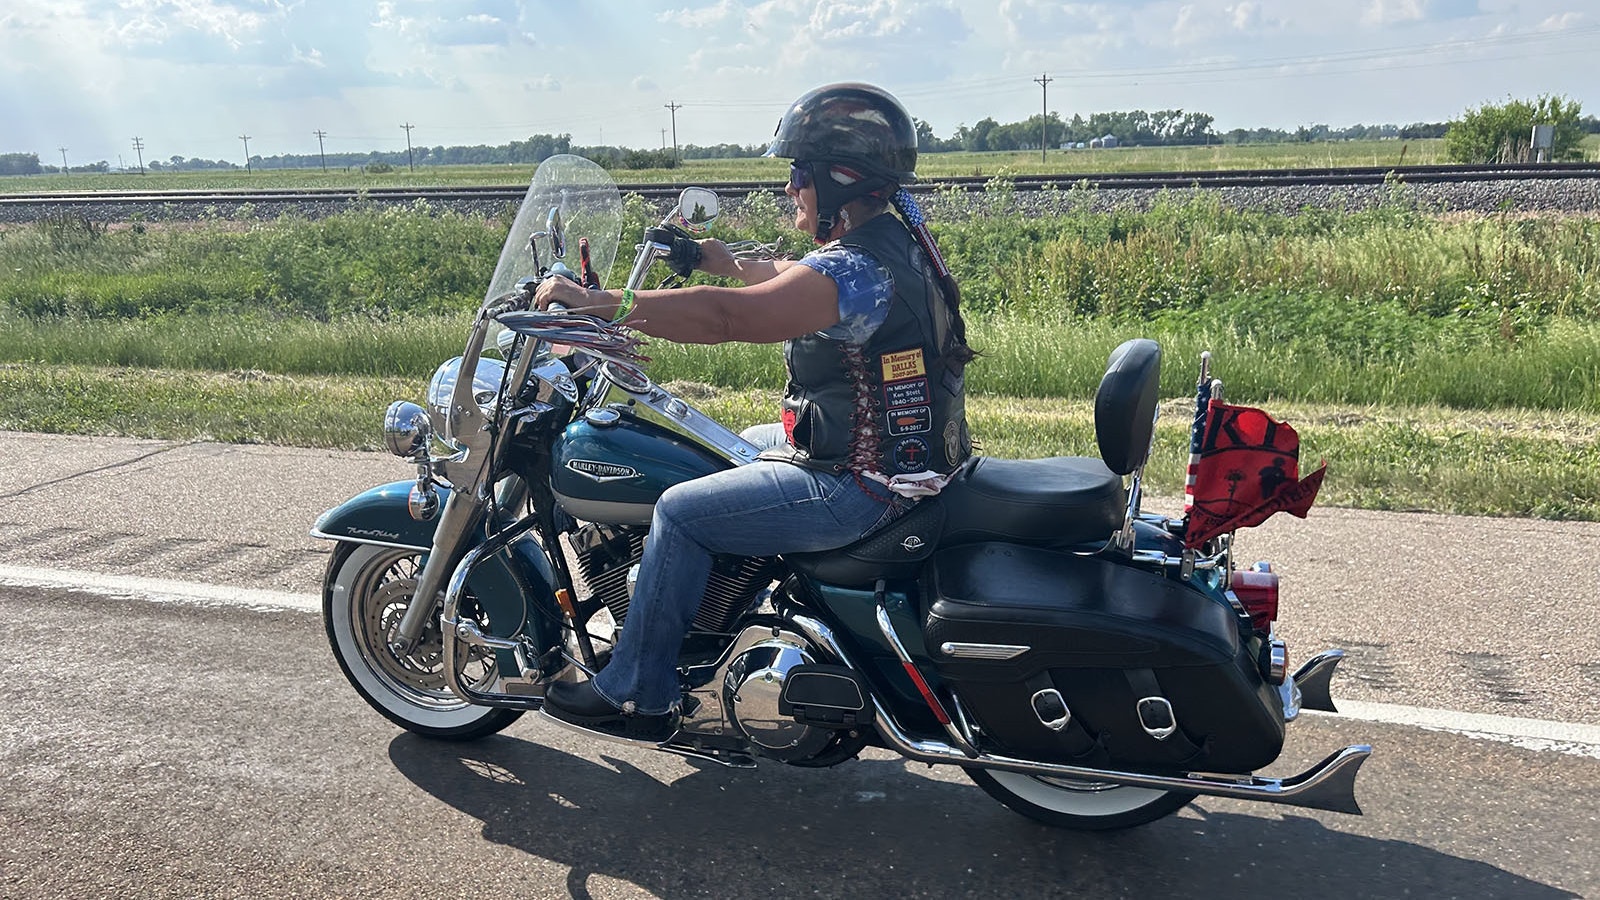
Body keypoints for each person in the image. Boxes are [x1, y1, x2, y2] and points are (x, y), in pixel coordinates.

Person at [533, 82, 974, 744]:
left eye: (800, 172)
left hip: (862, 484)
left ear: (840, 178)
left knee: (681, 510)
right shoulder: (892, 243)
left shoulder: (856, 269)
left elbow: (728, 316)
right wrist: (717, 257)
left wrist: (597, 305)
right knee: (730, 448)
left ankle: (635, 692)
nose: (791, 186)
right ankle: (716, 621)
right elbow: (787, 277)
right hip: (904, 459)